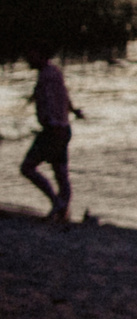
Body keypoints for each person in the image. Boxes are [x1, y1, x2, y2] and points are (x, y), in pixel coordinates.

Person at [18, 47, 83, 225]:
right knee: (60, 172)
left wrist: (51, 122)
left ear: (40, 56)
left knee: (28, 167)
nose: (28, 60)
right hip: (61, 129)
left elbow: (53, 100)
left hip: (53, 131)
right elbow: (64, 95)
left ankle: (57, 203)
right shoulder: (53, 72)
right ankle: (62, 211)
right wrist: (73, 111)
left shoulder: (48, 75)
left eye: (31, 56)